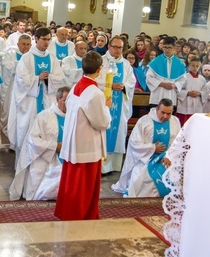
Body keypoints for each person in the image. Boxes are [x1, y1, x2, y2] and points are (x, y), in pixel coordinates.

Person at [55, 51, 112, 220]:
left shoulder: (76, 86)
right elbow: (101, 122)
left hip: (74, 141)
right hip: (87, 144)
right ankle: (82, 214)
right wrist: (107, 106)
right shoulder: (94, 93)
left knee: (72, 181)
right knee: (84, 184)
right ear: (99, 70)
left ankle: (67, 211)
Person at [7, 27, 65, 156]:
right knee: (28, 130)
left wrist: (49, 78)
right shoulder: (27, 58)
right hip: (30, 102)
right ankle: (25, 163)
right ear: (36, 38)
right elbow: (21, 80)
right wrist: (37, 78)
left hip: (47, 100)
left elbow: (59, 77)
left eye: (49, 40)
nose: (46, 43)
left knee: (46, 130)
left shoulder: (53, 59)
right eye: (44, 39)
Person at [10, 86, 70, 201]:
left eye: (70, 101)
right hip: (45, 157)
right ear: (57, 99)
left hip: (67, 158)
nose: (68, 104)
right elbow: (33, 140)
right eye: (65, 101)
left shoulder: (74, 118)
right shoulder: (44, 116)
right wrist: (55, 147)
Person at [111, 99, 179, 198]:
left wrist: (169, 156)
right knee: (142, 178)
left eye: (168, 114)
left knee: (177, 174)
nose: (165, 116)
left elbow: (177, 143)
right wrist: (152, 148)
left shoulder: (175, 121)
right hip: (146, 158)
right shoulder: (145, 121)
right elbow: (134, 143)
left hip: (166, 158)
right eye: (163, 112)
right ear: (157, 109)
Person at [100, 36, 136, 175]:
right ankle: (102, 166)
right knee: (104, 130)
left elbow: (131, 82)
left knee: (118, 131)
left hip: (120, 103)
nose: (117, 50)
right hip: (104, 102)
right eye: (115, 47)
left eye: (120, 47)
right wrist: (109, 86)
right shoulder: (101, 61)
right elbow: (96, 80)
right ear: (109, 47)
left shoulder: (126, 64)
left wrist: (124, 86)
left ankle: (114, 165)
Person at [0, 34, 31, 149]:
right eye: (23, 44)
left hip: (26, 89)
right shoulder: (10, 54)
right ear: (18, 44)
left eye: (28, 44)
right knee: (9, 113)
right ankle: (11, 141)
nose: (25, 47)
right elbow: (8, 67)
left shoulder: (31, 56)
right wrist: (22, 67)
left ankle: (21, 141)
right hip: (12, 87)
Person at [146, 36, 186, 107]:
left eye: (169, 47)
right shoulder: (155, 61)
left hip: (171, 94)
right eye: (165, 47)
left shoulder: (179, 63)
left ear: (173, 47)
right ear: (162, 47)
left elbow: (183, 79)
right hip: (158, 93)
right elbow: (149, 78)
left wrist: (174, 85)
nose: (167, 50)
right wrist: (162, 84)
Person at [177, 55, 210, 125]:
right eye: (193, 66)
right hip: (185, 105)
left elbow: (206, 92)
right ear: (189, 66)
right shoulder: (184, 77)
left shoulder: (202, 79)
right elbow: (177, 90)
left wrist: (200, 93)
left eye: (197, 66)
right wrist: (188, 93)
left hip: (197, 104)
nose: (195, 68)